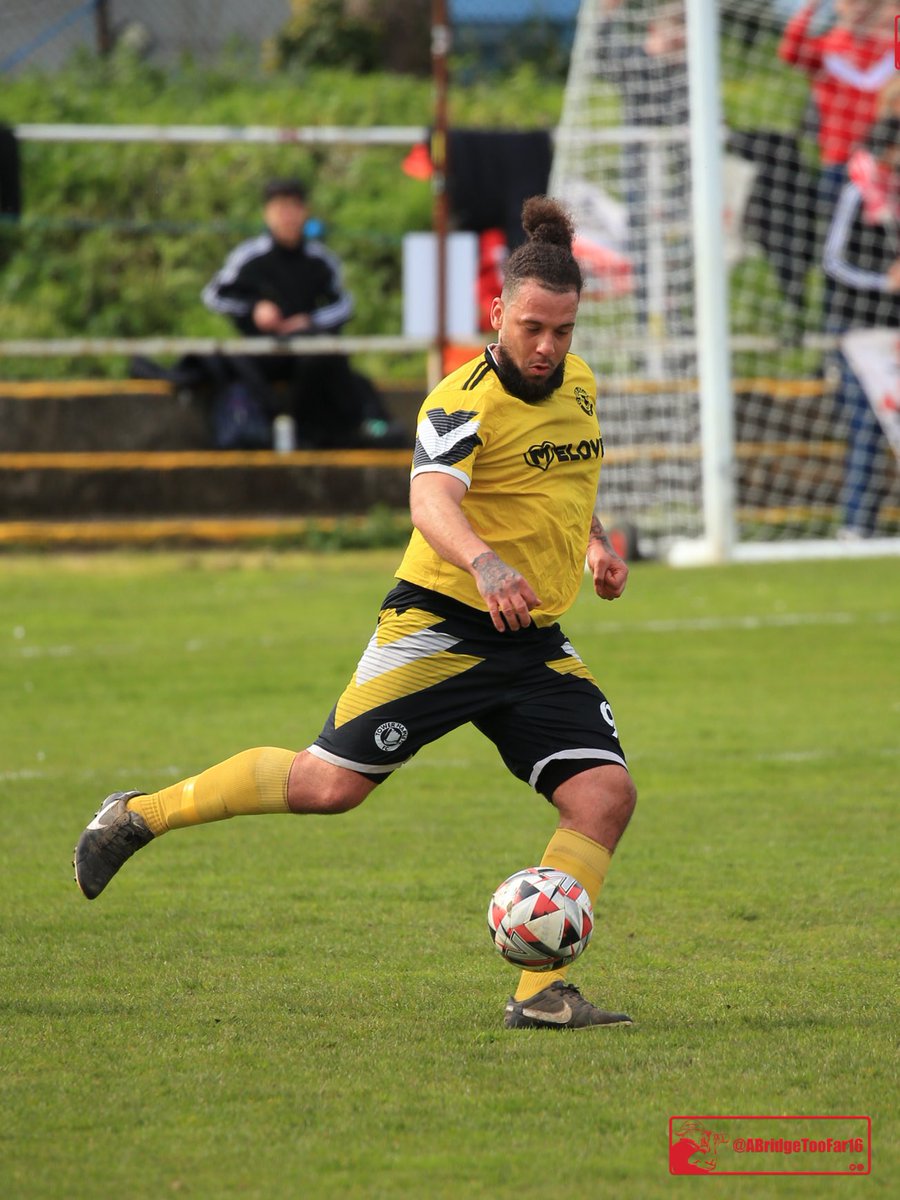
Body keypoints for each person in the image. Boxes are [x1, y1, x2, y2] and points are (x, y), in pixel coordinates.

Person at [73, 196, 637, 1031]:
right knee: (328, 786)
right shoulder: (460, 399)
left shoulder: (578, 385)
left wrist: (591, 543)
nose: (549, 347)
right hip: (443, 625)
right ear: (497, 314)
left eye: (563, 330)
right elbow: (430, 498)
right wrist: (483, 563)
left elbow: (566, 478)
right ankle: (139, 814)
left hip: (531, 638)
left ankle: (540, 993)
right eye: (532, 328)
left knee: (604, 795)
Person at [202, 176, 405, 448]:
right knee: (234, 361)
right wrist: (255, 309)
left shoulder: (319, 259)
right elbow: (214, 295)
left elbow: (344, 305)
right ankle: (281, 425)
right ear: (267, 214)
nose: (287, 216)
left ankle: (327, 429)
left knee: (329, 356)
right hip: (263, 350)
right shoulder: (249, 257)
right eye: (279, 208)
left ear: (304, 212)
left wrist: (308, 321)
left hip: (307, 349)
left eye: (293, 207)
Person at [822, 116, 900, 537]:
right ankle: (855, 526)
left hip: (893, 331)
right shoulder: (856, 192)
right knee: (865, 426)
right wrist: (882, 279)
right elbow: (832, 260)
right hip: (856, 331)